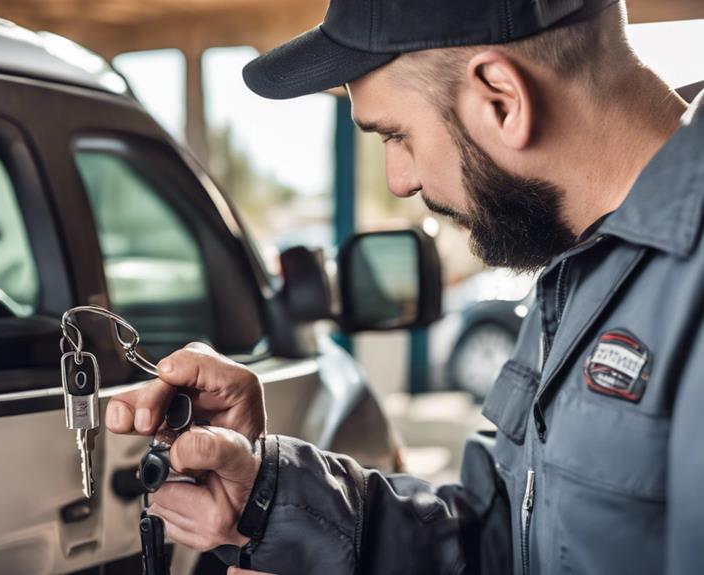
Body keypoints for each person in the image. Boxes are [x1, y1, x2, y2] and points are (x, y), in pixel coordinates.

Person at [107, 0, 703, 572]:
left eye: (395, 135)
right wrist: (267, 491)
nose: (399, 181)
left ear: (501, 99)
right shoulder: (580, 265)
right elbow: (500, 538)